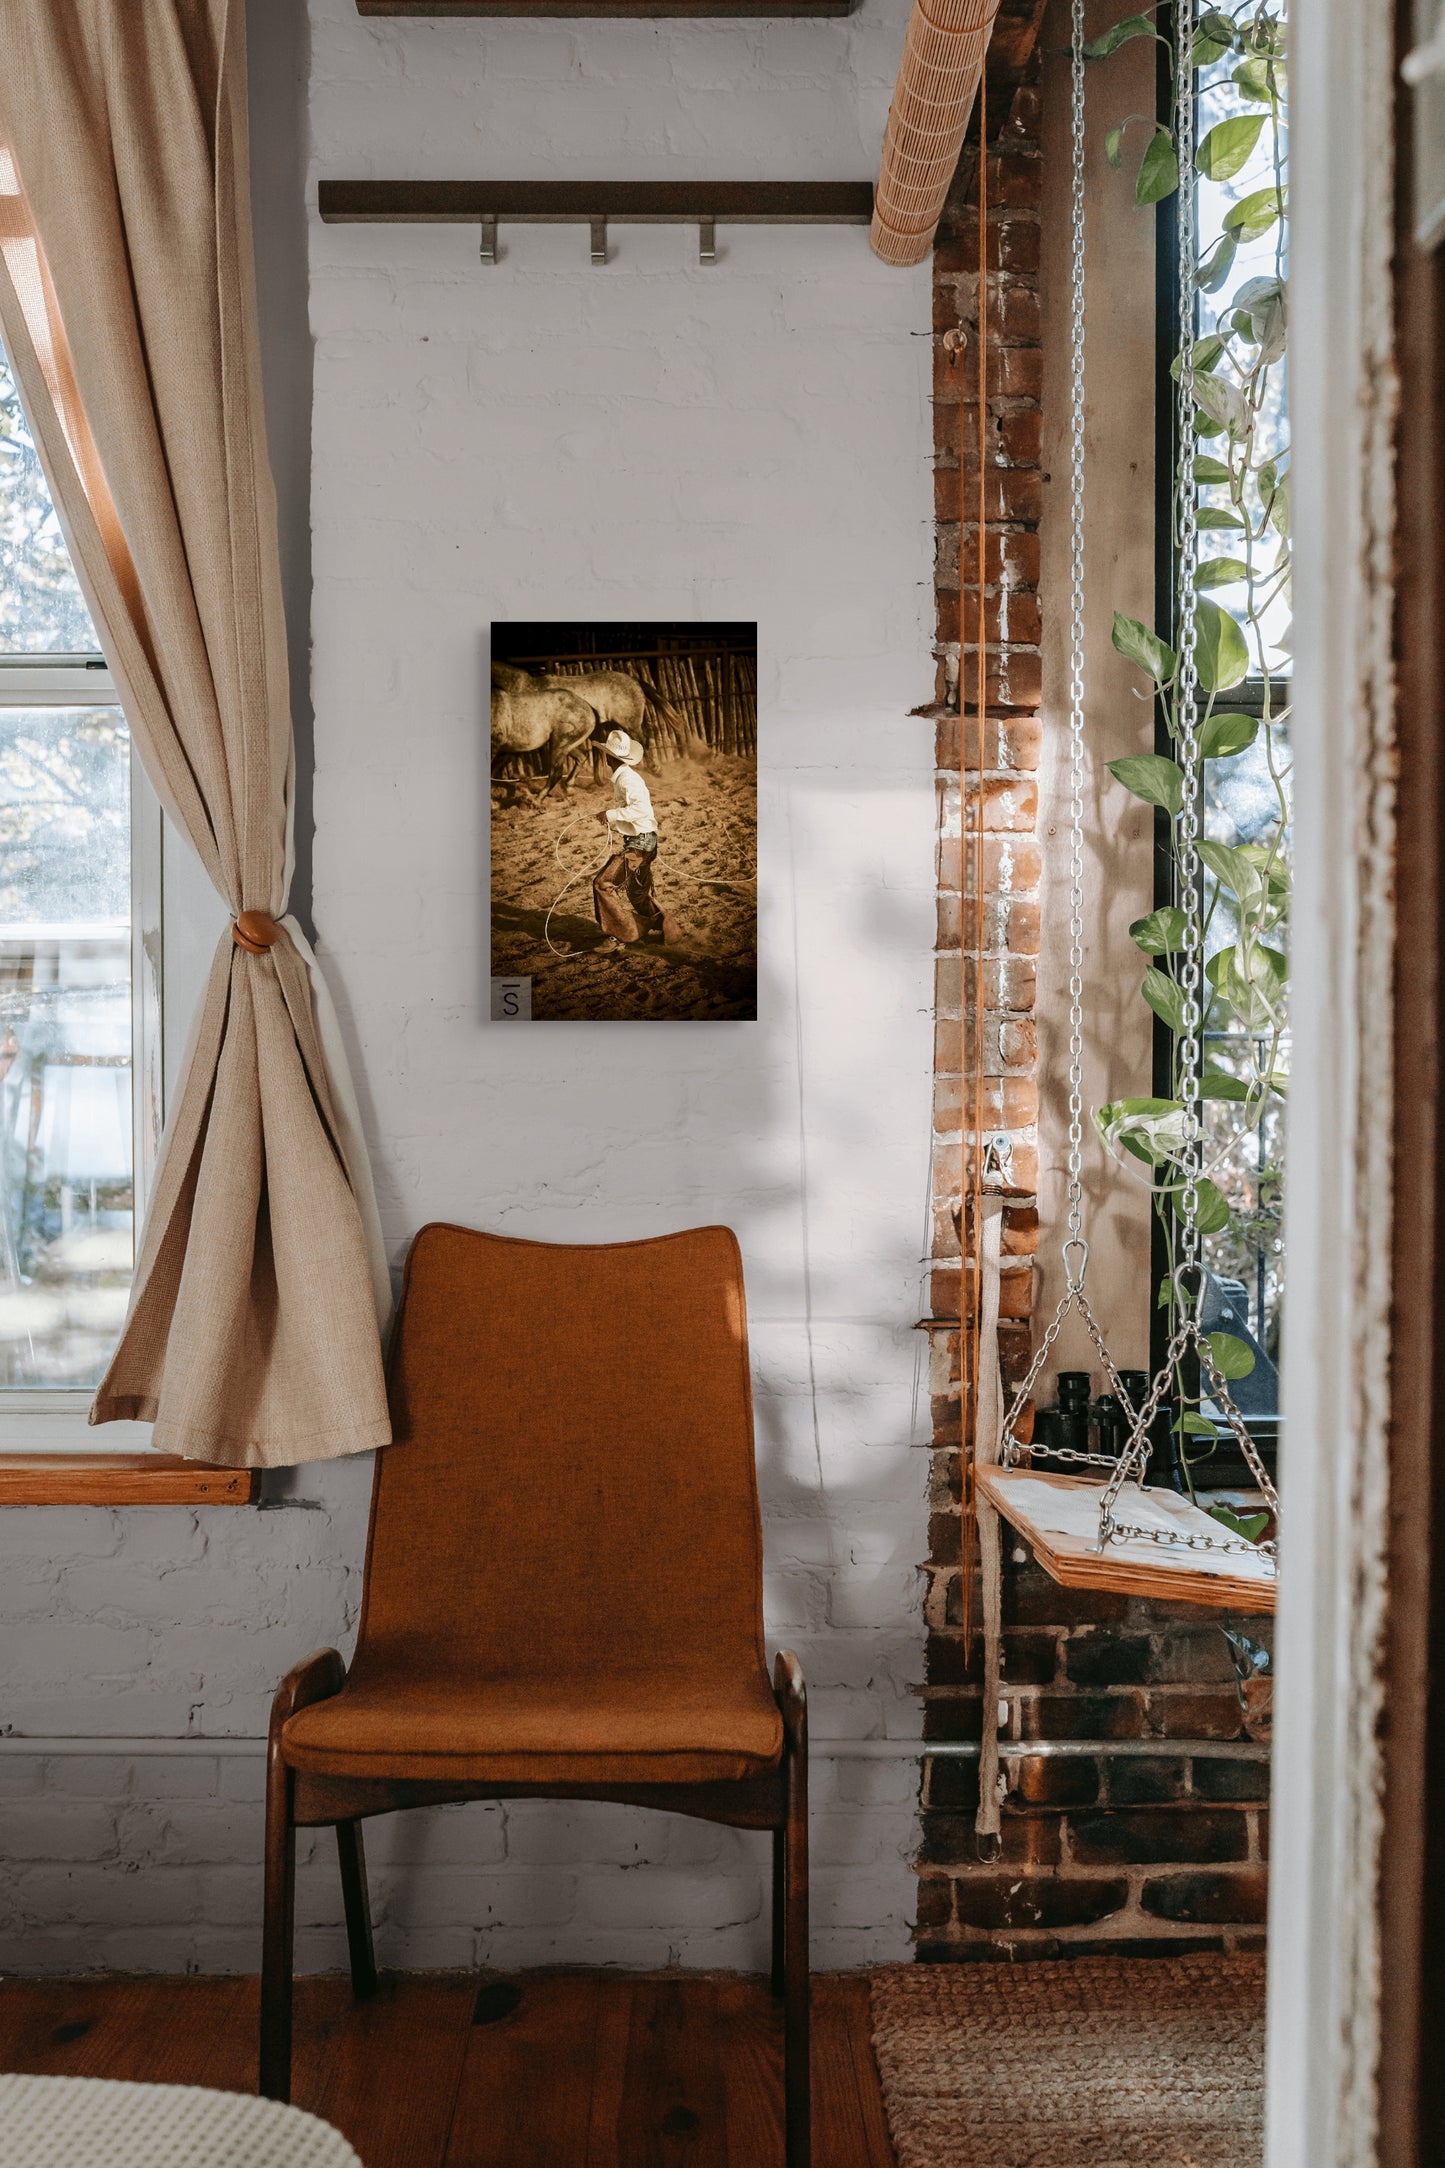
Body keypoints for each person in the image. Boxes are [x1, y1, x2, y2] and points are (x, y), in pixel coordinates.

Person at [592, 729, 676, 949]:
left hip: (639, 844)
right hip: (644, 842)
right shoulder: (625, 778)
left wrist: (611, 814)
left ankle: (618, 935)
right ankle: (670, 929)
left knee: (603, 884)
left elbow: (639, 809)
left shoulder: (627, 780)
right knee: (637, 894)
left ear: (608, 756)